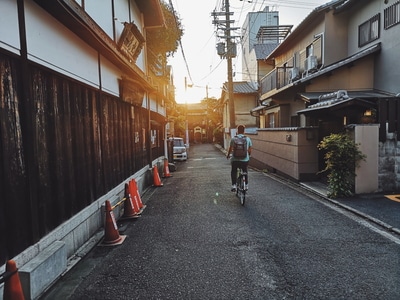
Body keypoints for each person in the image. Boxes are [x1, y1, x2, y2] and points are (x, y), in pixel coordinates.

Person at [226, 124, 252, 191]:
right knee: (245, 170)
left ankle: (234, 185)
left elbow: (230, 149)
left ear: (237, 131)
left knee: (234, 170)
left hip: (235, 159)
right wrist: (249, 155)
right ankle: (246, 185)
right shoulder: (247, 139)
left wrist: (228, 155)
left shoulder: (233, 139)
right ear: (244, 131)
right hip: (245, 159)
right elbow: (250, 149)